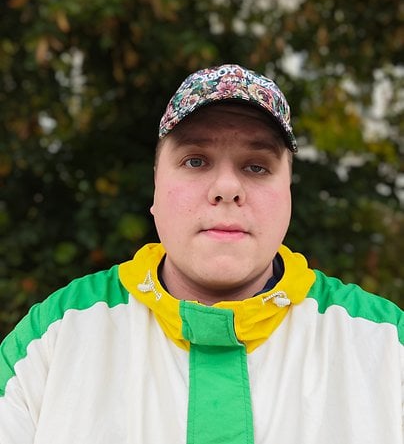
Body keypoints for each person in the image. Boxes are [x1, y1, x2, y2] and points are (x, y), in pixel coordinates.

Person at [0, 64, 402, 444]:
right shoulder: (53, 338)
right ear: (156, 187)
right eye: (195, 160)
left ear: (289, 195)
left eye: (257, 167)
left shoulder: (386, 347)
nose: (227, 187)